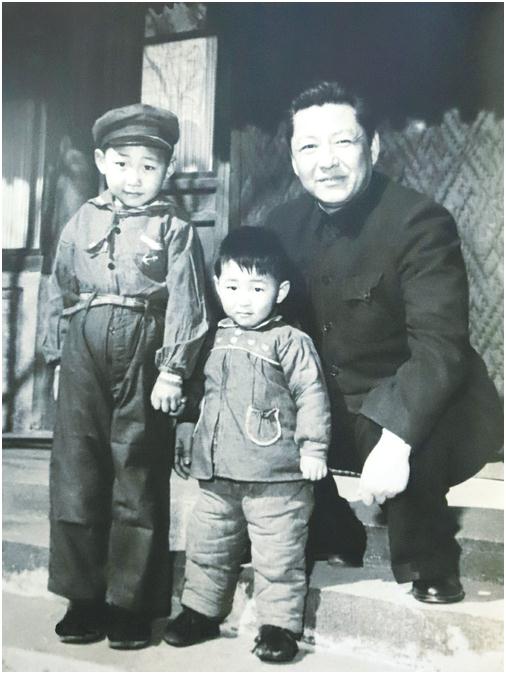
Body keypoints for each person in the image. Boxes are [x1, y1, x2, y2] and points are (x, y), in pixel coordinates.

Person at [265, 81, 502, 603]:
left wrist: (396, 442)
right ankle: (331, 528)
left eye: (343, 142)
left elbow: (440, 348)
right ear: (294, 160)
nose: (327, 161)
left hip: (428, 405)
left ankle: (431, 558)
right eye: (310, 147)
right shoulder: (280, 227)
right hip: (332, 407)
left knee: (401, 426)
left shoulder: (419, 221)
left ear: (372, 147)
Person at [42, 103, 209, 648]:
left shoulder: (176, 229)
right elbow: (58, 286)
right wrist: (56, 358)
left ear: (167, 170)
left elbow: (188, 303)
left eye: (148, 166)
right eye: (122, 163)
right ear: (101, 162)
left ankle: (131, 606)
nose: (134, 177)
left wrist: (173, 370)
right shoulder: (81, 219)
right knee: (77, 472)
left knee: (137, 474)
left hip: (145, 353)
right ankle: (83, 598)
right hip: (83, 351)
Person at [164, 227, 331, 663]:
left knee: (278, 555)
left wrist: (313, 448)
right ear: (217, 285)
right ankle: (200, 611)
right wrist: (186, 428)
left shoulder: (290, 341)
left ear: (280, 292)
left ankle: (279, 627)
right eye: (233, 287)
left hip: (276, 478)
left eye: (257, 289)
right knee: (207, 546)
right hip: (218, 474)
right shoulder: (213, 337)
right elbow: (197, 392)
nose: (243, 299)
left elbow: (312, 395)